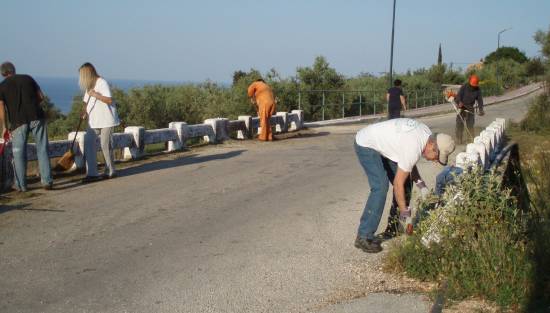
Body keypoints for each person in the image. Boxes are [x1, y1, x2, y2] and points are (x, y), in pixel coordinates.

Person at [353, 118, 455, 253]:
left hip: (384, 144)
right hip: (366, 143)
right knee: (380, 186)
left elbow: (408, 163)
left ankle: (394, 227)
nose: (434, 160)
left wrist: (421, 185)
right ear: (432, 146)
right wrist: (405, 213)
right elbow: (397, 183)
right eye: (436, 157)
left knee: (407, 181)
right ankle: (363, 236)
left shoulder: (426, 135)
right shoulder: (414, 145)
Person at [0, 61, 53, 191]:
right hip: (37, 116)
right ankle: (47, 181)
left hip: (18, 121)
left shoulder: (2, 86)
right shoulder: (28, 78)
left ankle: (21, 185)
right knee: (42, 148)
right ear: (14, 70)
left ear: (3, 74)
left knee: (18, 153)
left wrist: (4, 127)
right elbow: (41, 96)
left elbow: (1, 108)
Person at [78, 63, 120, 183]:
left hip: (107, 119)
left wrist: (95, 94)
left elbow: (109, 99)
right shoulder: (89, 85)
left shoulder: (102, 83)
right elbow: (86, 101)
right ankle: (92, 173)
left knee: (105, 145)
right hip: (94, 120)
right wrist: (84, 111)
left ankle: (110, 171)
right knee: (88, 142)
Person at [455, 74, 484, 144]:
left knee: (470, 124)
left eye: (474, 86)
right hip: (461, 107)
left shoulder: (477, 89)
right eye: (472, 86)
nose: (473, 87)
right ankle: (459, 139)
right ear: (469, 82)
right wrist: (459, 102)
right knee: (459, 124)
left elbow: (480, 100)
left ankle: (470, 139)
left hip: (470, 108)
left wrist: (481, 109)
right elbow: (458, 96)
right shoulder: (464, 87)